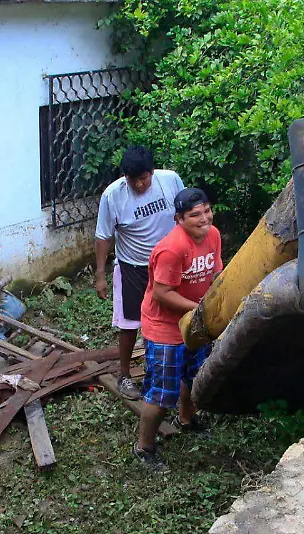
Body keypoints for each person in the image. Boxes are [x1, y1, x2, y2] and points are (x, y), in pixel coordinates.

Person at [134, 187, 222, 471]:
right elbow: (162, 293)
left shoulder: (214, 236)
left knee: (195, 376)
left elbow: (216, 273)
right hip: (165, 328)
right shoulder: (172, 248)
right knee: (161, 393)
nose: (204, 218)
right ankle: (144, 447)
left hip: (195, 321)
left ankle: (187, 418)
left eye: (207, 211)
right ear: (179, 219)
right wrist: (197, 310)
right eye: (195, 214)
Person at [94, 146, 186, 400]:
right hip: (133, 267)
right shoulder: (113, 195)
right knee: (130, 324)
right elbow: (103, 235)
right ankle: (124, 375)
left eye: (143, 178)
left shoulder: (170, 181)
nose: (138, 184)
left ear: (152, 172)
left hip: (169, 266)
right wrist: (100, 274)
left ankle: (161, 371)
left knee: (170, 319)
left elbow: (185, 216)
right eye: (132, 179)